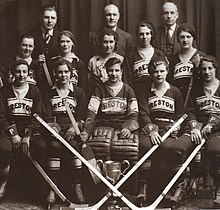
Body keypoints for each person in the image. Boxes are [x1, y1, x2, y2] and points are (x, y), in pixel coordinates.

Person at [81, 57, 139, 202]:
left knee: (129, 148)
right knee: (100, 146)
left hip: (121, 125)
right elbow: (92, 111)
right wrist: (87, 130)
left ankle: (126, 189)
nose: (113, 73)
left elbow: (134, 113)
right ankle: (100, 189)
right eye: (110, 70)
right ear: (106, 72)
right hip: (103, 124)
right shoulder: (100, 88)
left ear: (122, 72)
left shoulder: (128, 90)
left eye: (116, 70)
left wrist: (128, 127)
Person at [137, 56, 194, 204]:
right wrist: (152, 131)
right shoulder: (145, 90)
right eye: (155, 71)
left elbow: (180, 115)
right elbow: (143, 114)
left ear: (167, 71)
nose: (159, 74)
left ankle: (176, 186)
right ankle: (143, 186)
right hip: (152, 128)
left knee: (169, 148)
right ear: (151, 73)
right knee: (144, 145)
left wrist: (176, 126)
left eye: (162, 71)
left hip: (169, 128)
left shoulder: (175, 91)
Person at [42, 58, 87, 206]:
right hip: (55, 128)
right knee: (54, 147)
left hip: (71, 128)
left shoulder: (78, 92)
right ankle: (52, 189)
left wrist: (74, 128)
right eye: (60, 72)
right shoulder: (49, 92)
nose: (63, 75)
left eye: (66, 72)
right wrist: (54, 128)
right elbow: (47, 116)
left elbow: (80, 117)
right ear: (54, 73)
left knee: (74, 146)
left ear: (71, 73)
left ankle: (77, 186)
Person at [0, 59, 43, 199]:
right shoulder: (4, 90)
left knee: (41, 147)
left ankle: (38, 188)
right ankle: (3, 182)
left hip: (27, 131)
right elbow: (1, 116)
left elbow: (37, 116)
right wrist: (13, 135)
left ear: (28, 73)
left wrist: (28, 135)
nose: (21, 75)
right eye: (18, 71)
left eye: (24, 71)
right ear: (12, 73)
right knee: (5, 148)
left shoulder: (35, 91)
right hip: (8, 131)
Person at [187, 55, 220, 205]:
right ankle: (186, 185)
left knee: (215, 150)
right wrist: (194, 127)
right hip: (199, 126)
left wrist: (212, 125)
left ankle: (218, 189)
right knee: (185, 145)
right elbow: (190, 110)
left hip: (217, 128)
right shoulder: (196, 88)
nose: (207, 72)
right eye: (203, 69)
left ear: (215, 69)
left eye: (210, 68)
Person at [167, 23, 206, 108]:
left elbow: (207, 81)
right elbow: (169, 83)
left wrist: (197, 68)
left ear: (193, 38)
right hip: (178, 100)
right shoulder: (172, 59)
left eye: (188, 37)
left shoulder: (201, 56)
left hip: (197, 99)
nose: (185, 40)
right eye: (182, 37)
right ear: (178, 39)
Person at [123, 21, 165, 94]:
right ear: (137, 36)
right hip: (137, 92)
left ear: (151, 35)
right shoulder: (130, 55)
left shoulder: (159, 54)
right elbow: (127, 79)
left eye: (147, 34)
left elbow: (165, 76)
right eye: (141, 34)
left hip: (156, 92)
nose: (144, 37)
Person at [30, 4, 59, 88]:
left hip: (55, 81)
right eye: (46, 17)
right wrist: (35, 61)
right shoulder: (31, 36)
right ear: (40, 18)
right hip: (35, 80)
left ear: (56, 20)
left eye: (53, 18)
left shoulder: (61, 37)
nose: (50, 21)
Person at [88, 29, 123, 97]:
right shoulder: (93, 61)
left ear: (115, 42)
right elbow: (90, 85)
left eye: (111, 42)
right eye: (105, 42)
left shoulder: (121, 60)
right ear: (100, 42)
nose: (108, 45)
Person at [51, 30, 88, 95]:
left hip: (75, 96)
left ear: (72, 43)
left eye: (68, 41)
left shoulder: (78, 63)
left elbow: (83, 84)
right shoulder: (53, 62)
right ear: (58, 44)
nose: (65, 44)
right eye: (62, 41)